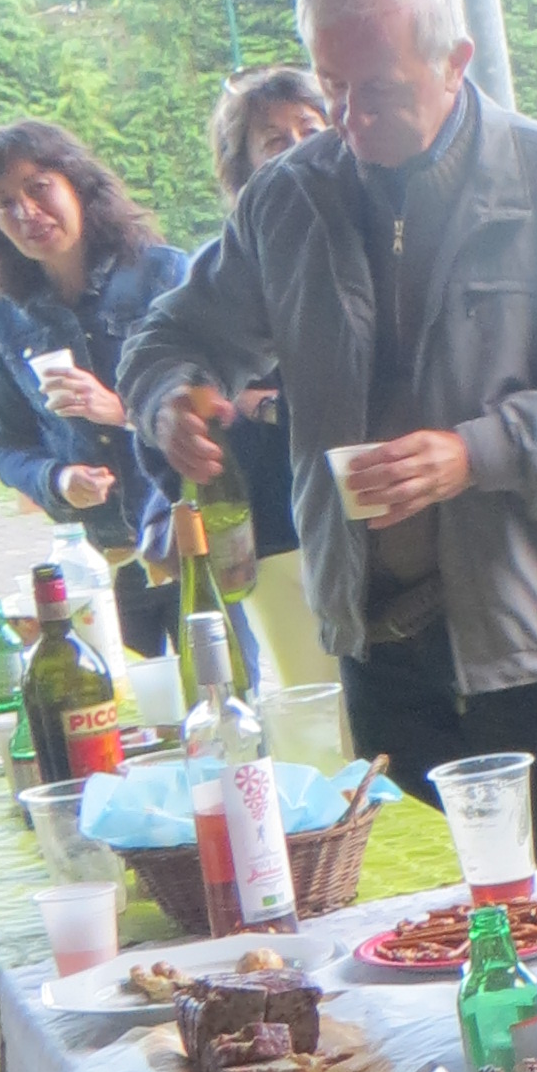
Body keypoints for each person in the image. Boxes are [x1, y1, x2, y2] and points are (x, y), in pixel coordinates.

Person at [120, 0, 537, 921]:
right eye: (331, 88)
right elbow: (172, 335)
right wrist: (170, 396)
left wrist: (477, 453)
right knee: (430, 926)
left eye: (376, 90)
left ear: (456, 61)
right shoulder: (287, 199)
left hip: (536, 640)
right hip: (376, 643)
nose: (347, 119)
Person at [0, 120, 187, 656]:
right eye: (4, 203)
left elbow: (215, 402)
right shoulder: (5, 315)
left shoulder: (162, 272)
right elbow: (7, 444)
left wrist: (122, 410)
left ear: (78, 184)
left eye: (39, 187)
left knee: (223, 693)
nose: (27, 212)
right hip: (98, 567)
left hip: (185, 542)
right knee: (114, 705)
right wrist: (58, 479)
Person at [191, 64, 337, 692]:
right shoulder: (224, 265)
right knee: (316, 698)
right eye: (275, 140)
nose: (299, 147)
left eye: (310, 128)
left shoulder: (377, 237)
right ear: (243, 166)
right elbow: (197, 372)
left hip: (376, 513)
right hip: (278, 523)